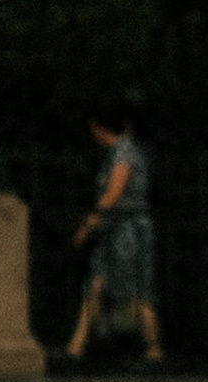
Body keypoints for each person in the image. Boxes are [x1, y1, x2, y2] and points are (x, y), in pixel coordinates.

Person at [62, 109, 163, 367]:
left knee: (134, 287)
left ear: (99, 128)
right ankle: (77, 344)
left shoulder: (124, 150)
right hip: (117, 227)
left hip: (127, 229)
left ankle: (152, 347)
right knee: (97, 284)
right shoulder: (127, 149)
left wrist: (88, 224)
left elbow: (114, 193)